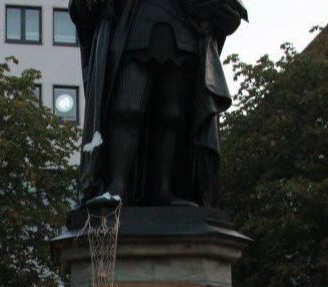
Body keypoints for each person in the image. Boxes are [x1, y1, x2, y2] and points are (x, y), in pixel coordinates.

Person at [69, 0, 249, 208]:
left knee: (171, 114)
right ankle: (117, 185)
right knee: (127, 108)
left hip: (182, 30)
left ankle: (163, 189)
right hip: (136, 24)